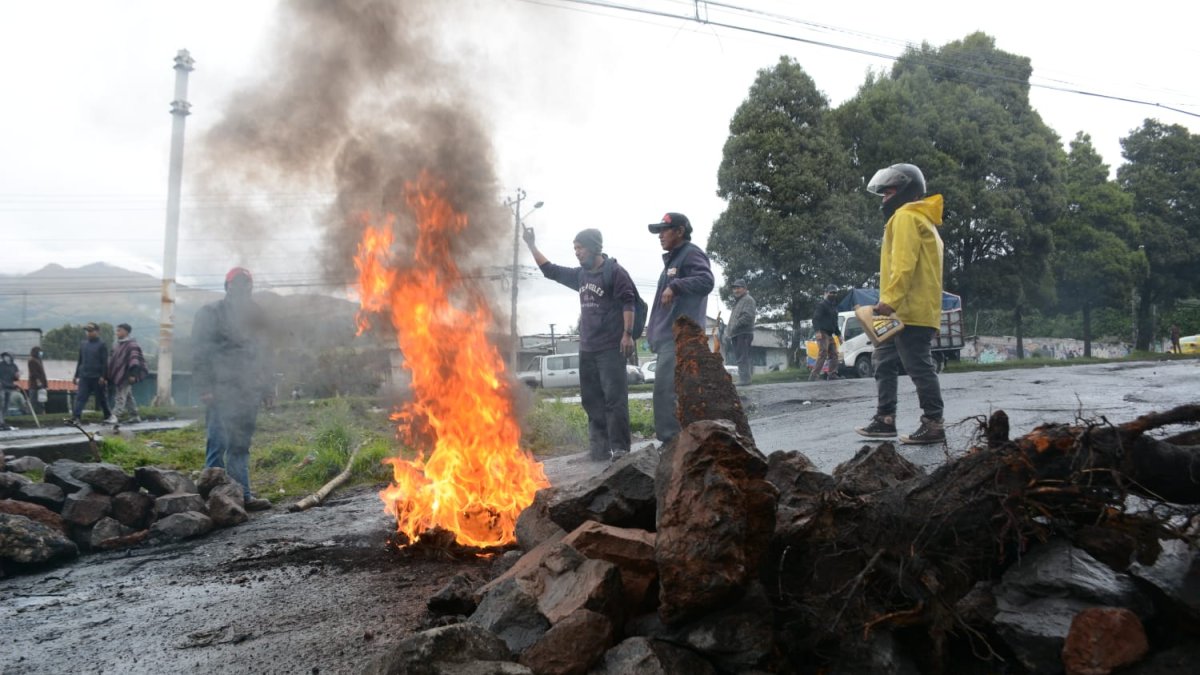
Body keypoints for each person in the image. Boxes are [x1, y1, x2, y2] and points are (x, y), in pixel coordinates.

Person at [524, 227, 637, 462]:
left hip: (610, 348)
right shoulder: (581, 275)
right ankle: (599, 449)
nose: (577, 253)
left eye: (580, 247)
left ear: (594, 246)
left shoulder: (615, 272)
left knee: (614, 399)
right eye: (574, 248)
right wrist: (531, 246)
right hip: (587, 348)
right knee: (592, 399)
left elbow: (629, 302)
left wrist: (627, 334)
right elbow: (551, 271)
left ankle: (620, 449)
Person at [856, 163, 946, 445]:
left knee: (918, 366)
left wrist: (889, 300)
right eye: (882, 193)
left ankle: (933, 424)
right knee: (882, 359)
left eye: (889, 191)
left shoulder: (907, 217)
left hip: (908, 310)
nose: (884, 197)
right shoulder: (922, 220)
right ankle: (885, 420)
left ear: (907, 191)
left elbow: (905, 265)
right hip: (905, 309)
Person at [192, 267, 273, 511]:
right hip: (220, 388)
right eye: (236, 285)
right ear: (226, 287)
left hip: (248, 389)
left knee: (241, 444)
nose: (241, 290)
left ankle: (242, 496)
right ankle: (213, 499)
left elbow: (265, 353)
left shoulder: (256, 315)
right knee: (218, 441)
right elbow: (200, 352)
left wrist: (267, 388)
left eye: (245, 286)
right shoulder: (210, 313)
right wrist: (205, 386)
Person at [645, 212, 715, 444]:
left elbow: (706, 281)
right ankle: (685, 442)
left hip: (681, 337)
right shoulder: (672, 262)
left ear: (680, 231)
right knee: (679, 392)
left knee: (665, 392)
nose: (660, 236)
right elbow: (661, 306)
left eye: (664, 230)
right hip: (669, 337)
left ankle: (671, 444)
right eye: (658, 232)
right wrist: (652, 329)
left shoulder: (690, 254)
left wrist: (676, 286)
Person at [71, 322, 114, 425]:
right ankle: (76, 417)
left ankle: (108, 415)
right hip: (85, 376)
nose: (89, 333)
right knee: (81, 397)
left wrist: (103, 376)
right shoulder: (83, 344)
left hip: (97, 377)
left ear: (97, 332)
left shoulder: (101, 345)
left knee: (101, 398)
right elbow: (80, 361)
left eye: (91, 331)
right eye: (87, 331)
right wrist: (76, 375)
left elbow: (104, 362)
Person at [107, 323, 147, 424]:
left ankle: (115, 416)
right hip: (120, 375)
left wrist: (133, 375)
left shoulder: (132, 345)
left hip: (127, 375)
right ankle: (135, 416)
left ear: (126, 331)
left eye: (119, 330)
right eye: (117, 330)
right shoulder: (117, 345)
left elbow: (135, 361)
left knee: (120, 396)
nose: (117, 333)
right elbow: (113, 359)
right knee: (128, 396)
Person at [724, 279, 756, 386]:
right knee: (740, 357)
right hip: (737, 333)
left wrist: (734, 326)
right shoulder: (739, 301)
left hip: (743, 333)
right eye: (734, 288)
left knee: (742, 356)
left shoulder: (748, 300)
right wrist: (729, 330)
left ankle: (745, 380)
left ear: (745, 289)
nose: (736, 290)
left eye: (738, 288)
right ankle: (745, 379)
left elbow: (747, 317)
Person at [810, 284, 842, 381]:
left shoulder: (834, 307)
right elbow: (815, 319)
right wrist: (817, 331)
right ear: (826, 293)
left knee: (834, 354)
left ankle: (832, 374)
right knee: (823, 353)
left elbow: (835, 323)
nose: (833, 294)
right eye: (831, 292)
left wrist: (839, 335)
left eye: (835, 293)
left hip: (830, 334)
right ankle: (814, 376)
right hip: (822, 333)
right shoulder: (822, 305)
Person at [27, 346, 49, 415]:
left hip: (41, 384)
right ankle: (33, 414)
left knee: (41, 401)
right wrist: (38, 382)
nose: (41, 353)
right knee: (34, 401)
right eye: (40, 352)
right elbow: (34, 373)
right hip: (35, 385)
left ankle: (41, 413)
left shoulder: (39, 360)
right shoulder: (32, 361)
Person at [0, 352, 19, 430]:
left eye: (7, 356)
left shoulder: (14, 366)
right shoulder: (1, 365)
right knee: (2, 402)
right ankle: (1, 421)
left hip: (10, 387)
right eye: (4, 356)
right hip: (2, 387)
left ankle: (2, 421)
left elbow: (15, 378)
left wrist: (17, 376)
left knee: (6, 405)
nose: (6, 358)